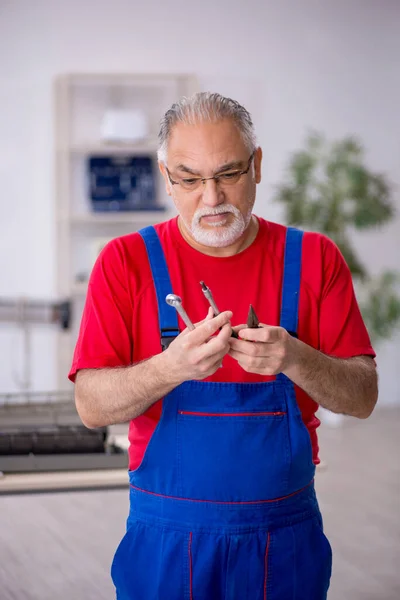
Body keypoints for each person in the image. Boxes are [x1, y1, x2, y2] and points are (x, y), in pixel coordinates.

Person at [69, 92, 378, 599]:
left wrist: (295, 357)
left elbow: (363, 398)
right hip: (165, 541)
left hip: (285, 544)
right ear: (166, 176)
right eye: (190, 179)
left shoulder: (316, 259)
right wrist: (169, 368)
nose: (211, 199)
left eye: (229, 174)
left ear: (257, 166)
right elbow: (91, 407)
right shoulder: (125, 262)